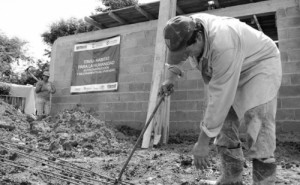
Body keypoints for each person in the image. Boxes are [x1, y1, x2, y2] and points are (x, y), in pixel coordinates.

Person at [160, 14, 282, 185]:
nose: (186, 57)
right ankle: (231, 179)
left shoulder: (222, 43)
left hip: (259, 65)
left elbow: (219, 99)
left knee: (258, 120)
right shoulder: (182, 29)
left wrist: (203, 143)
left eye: (187, 53)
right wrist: (170, 77)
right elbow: (178, 53)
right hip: (230, 65)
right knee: (224, 121)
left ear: (200, 38)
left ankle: (264, 182)